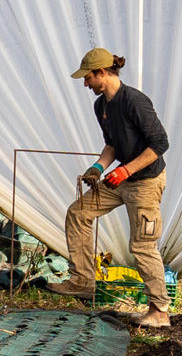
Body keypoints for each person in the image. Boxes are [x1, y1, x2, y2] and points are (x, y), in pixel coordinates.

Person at [49, 47, 172, 328]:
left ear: (103, 72)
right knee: (78, 213)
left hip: (145, 182)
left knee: (141, 245)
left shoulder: (135, 102)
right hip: (119, 179)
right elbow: (113, 144)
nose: (85, 84)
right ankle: (82, 280)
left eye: (88, 77)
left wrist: (127, 169)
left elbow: (160, 144)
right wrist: (98, 168)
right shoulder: (101, 105)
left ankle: (159, 311)